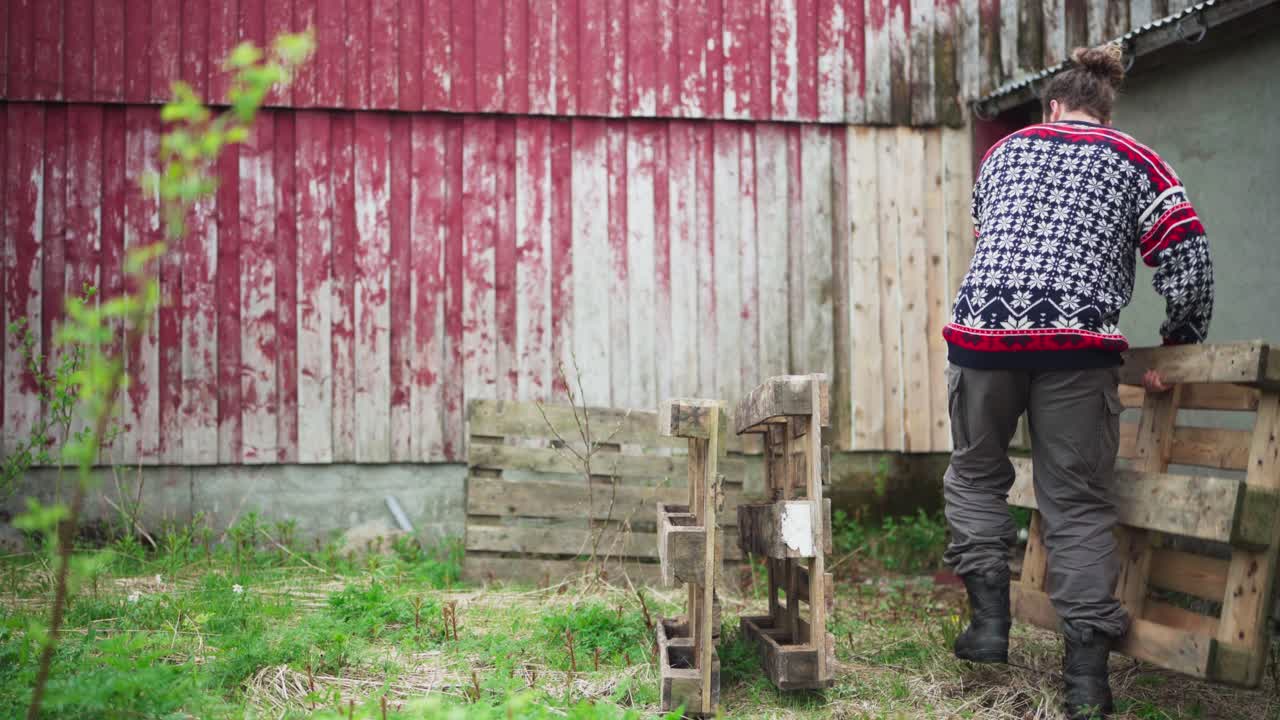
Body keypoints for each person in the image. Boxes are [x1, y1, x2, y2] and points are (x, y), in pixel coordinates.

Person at [940, 43, 1213, 719]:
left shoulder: (1004, 154)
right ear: (1102, 108)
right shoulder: (1138, 161)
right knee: (1079, 507)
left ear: (1053, 107)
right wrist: (1179, 341)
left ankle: (989, 628)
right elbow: (1191, 261)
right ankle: (1086, 687)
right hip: (1076, 349)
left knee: (976, 477)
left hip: (982, 339)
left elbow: (990, 240)